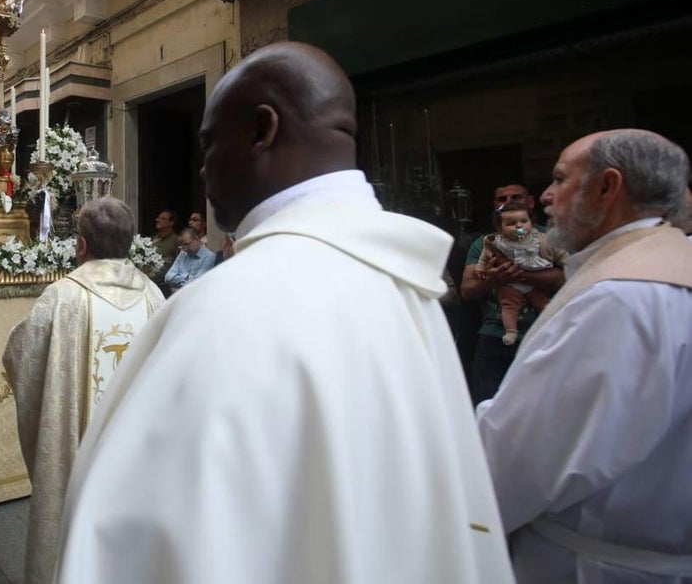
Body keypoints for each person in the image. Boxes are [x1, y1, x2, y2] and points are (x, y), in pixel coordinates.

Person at [55, 42, 513, 583]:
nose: (203, 169)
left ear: (261, 130)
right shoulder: (404, 282)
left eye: (209, 144)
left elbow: (131, 547)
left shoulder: (223, 311)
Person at [477, 129, 692, 582]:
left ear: (607, 187)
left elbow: (524, 458)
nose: (546, 196)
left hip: (597, 563)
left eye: (560, 179)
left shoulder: (619, 296)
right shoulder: (672, 264)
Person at [3, 197, 164, 584]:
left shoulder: (64, 297)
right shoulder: (154, 297)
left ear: (81, 245)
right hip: (138, 455)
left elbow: (20, 357)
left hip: (79, 454)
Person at [460, 183, 564, 402]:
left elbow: (568, 278)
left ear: (531, 202)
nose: (508, 202)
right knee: (491, 404)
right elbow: (467, 290)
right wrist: (493, 279)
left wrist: (519, 274)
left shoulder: (550, 237)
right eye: (501, 199)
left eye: (516, 197)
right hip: (495, 337)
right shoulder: (486, 243)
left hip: (546, 334)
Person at [474, 203, 564, 346]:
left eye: (524, 221)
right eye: (511, 224)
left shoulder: (541, 239)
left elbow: (560, 254)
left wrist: (567, 261)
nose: (518, 226)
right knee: (509, 306)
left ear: (531, 222)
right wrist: (480, 268)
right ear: (500, 228)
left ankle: (555, 324)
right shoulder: (496, 242)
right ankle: (511, 331)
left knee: (543, 302)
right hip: (510, 285)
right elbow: (485, 257)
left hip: (537, 282)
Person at [163, 226, 215, 292]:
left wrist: (177, 281)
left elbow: (198, 283)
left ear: (196, 239)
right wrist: (187, 277)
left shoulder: (209, 257)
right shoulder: (183, 254)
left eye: (186, 244)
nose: (184, 248)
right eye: (182, 245)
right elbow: (168, 277)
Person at [150, 208, 179, 281]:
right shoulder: (154, 238)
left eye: (163, 218)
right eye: (158, 218)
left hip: (164, 281)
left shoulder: (176, 240)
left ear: (171, 223)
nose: (157, 220)